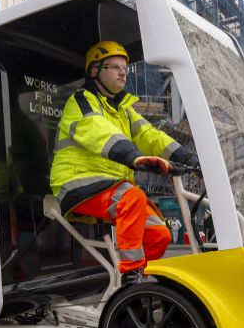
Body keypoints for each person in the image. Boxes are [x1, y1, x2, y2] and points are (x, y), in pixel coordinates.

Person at [50, 41, 198, 274]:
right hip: (75, 181)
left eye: (124, 68)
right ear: (95, 71)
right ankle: (131, 279)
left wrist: (188, 158)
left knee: (160, 234)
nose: (122, 72)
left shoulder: (124, 110)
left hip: (108, 185)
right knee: (133, 197)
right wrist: (134, 157)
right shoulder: (81, 101)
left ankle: (138, 281)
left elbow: (151, 134)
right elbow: (98, 131)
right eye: (114, 66)